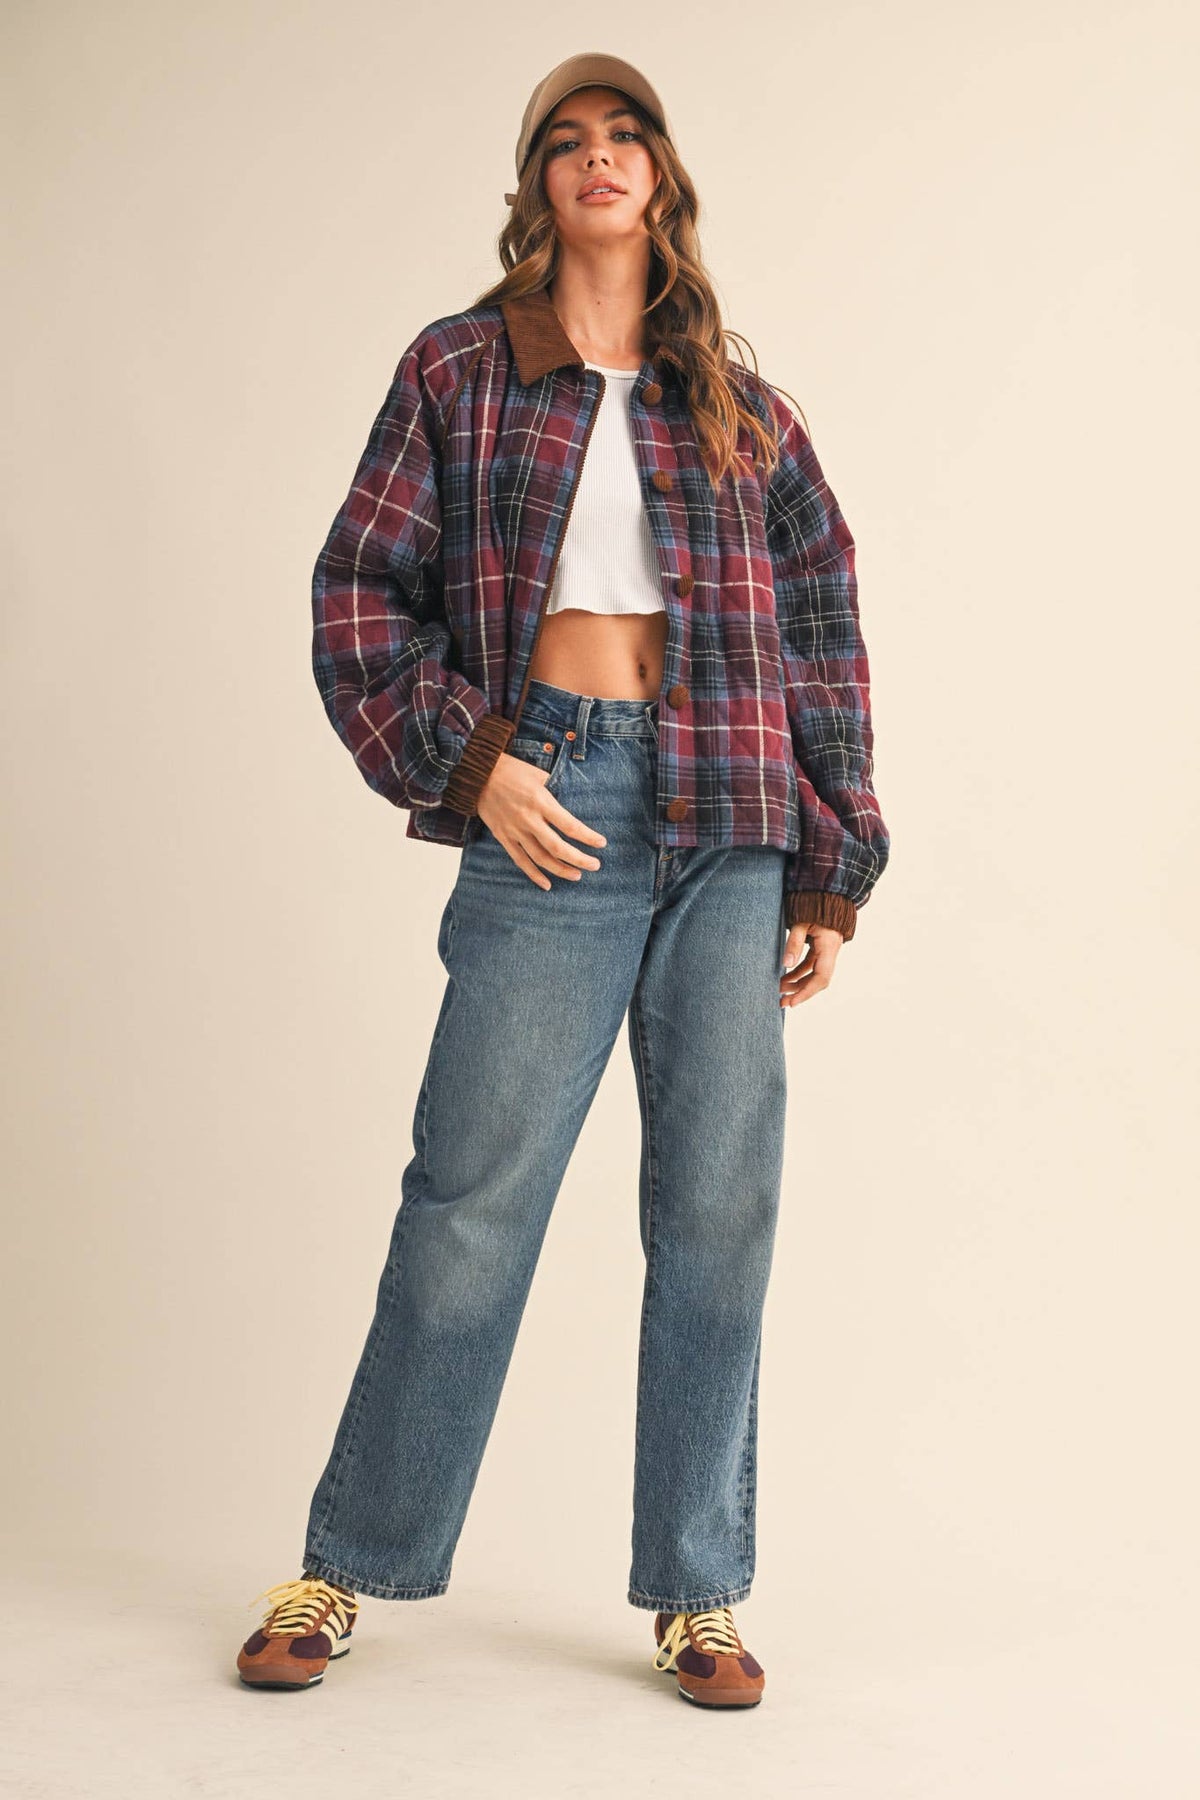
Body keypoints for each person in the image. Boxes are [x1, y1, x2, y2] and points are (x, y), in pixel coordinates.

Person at [236, 52, 890, 1710]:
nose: (599, 159)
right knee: (471, 1200)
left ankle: (699, 1592)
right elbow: (357, 594)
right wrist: (479, 764)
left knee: (719, 1209)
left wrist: (830, 864)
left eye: (626, 136)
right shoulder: (461, 371)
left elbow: (823, 630)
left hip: (732, 812)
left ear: (662, 176)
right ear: (537, 185)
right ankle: (346, 1562)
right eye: (567, 142)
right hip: (556, 799)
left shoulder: (739, 405)